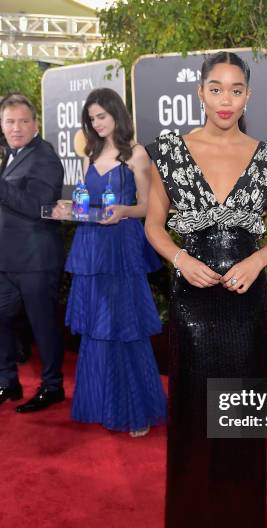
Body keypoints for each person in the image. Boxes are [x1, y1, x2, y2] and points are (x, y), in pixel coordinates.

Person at [145, 51, 267, 528]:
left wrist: (256, 259)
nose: (225, 99)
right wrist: (182, 260)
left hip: (247, 305)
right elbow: (155, 227)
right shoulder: (170, 153)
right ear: (200, 93)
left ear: (248, 97)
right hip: (193, 304)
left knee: (239, 427)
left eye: (236, 90)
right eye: (216, 88)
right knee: (193, 423)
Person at [59, 88, 166, 436]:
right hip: (91, 249)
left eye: (102, 116)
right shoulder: (90, 155)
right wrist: (69, 209)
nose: (97, 123)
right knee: (97, 329)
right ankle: (104, 404)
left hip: (122, 249)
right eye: (91, 118)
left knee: (125, 328)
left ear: (117, 114)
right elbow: (86, 204)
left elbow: (150, 207)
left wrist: (123, 211)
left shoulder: (136, 155)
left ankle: (137, 411)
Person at [0, 93, 65, 412]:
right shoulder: (8, 155)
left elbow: (38, 207)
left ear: (35, 124)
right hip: (6, 259)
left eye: (24, 121)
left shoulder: (45, 156)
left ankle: (52, 386)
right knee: (2, 320)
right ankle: (7, 381)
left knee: (43, 325)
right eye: (10, 121)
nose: (17, 128)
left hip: (36, 260)